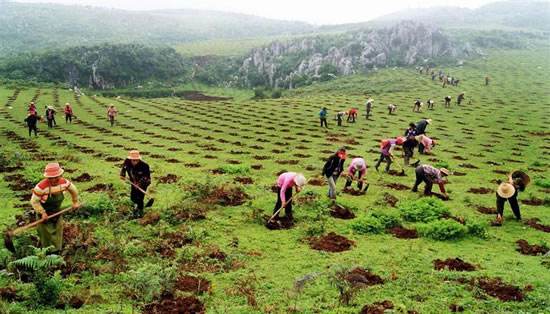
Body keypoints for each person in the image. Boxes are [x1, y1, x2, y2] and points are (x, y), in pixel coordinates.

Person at [30, 163, 80, 252]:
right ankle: (46, 253)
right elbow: (34, 202)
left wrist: (75, 202)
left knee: (58, 231)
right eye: (51, 178)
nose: (54, 179)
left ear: (60, 175)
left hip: (57, 211)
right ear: (47, 177)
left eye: (56, 177)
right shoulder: (41, 187)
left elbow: (74, 190)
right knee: (46, 235)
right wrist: (43, 213)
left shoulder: (64, 183)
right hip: (44, 214)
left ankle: (57, 252)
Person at [120, 150, 151, 218]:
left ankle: (140, 212)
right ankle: (136, 206)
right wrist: (122, 174)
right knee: (133, 197)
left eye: (136, 160)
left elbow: (147, 177)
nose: (135, 162)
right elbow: (124, 167)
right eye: (133, 160)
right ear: (130, 159)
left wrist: (139, 184)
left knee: (139, 197)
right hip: (133, 181)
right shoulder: (127, 162)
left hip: (144, 182)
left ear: (139, 159)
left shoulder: (145, 166)